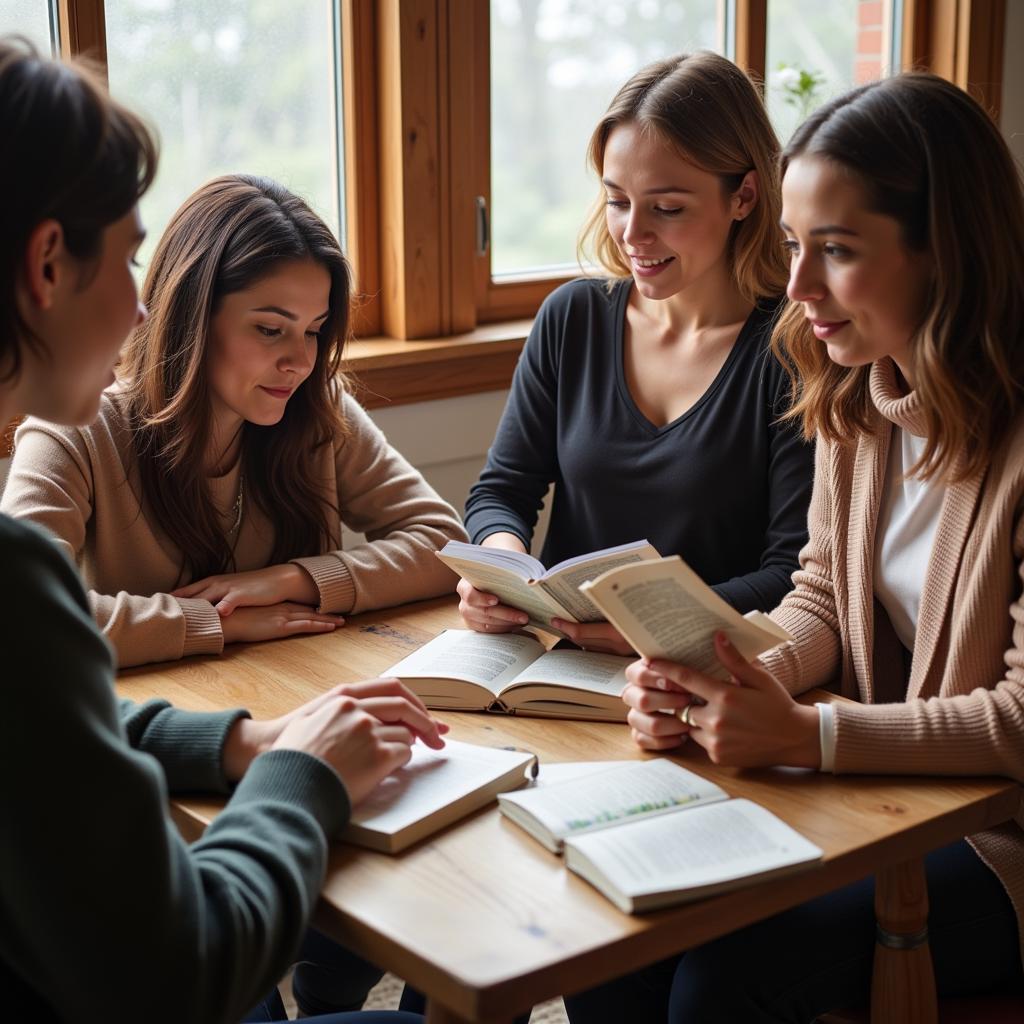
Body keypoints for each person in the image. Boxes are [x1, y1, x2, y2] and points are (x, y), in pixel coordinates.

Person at [567, 72, 1024, 1022]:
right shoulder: (860, 391)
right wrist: (720, 674)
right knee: (608, 941)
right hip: (884, 791)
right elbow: (818, 595)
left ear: (946, 253)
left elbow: (1020, 721)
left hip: (998, 835)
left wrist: (811, 735)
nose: (800, 286)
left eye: (838, 252)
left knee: (723, 981)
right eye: (791, 246)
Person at [0, 36, 438, 1024]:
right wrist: (295, 769)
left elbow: (47, 717)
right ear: (45, 263)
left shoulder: (316, 415)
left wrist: (238, 735)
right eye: (130, 254)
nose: (138, 303)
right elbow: (181, 972)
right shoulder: (61, 468)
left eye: (314, 330)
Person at [1, 174, 466, 670]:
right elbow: (20, 612)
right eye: (271, 329)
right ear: (192, 315)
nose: (300, 362)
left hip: (304, 687)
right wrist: (213, 620)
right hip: (156, 722)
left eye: (313, 331)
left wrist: (294, 579)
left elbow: (444, 542)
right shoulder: (76, 434)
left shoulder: (318, 408)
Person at [457, 51, 814, 655]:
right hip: (558, 666)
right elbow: (502, 493)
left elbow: (792, 576)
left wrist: (646, 626)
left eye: (667, 208)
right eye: (618, 200)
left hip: (714, 674)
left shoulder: (795, 348)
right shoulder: (572, 318)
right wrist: (500, 570)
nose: (631, 234)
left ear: (746, 196)